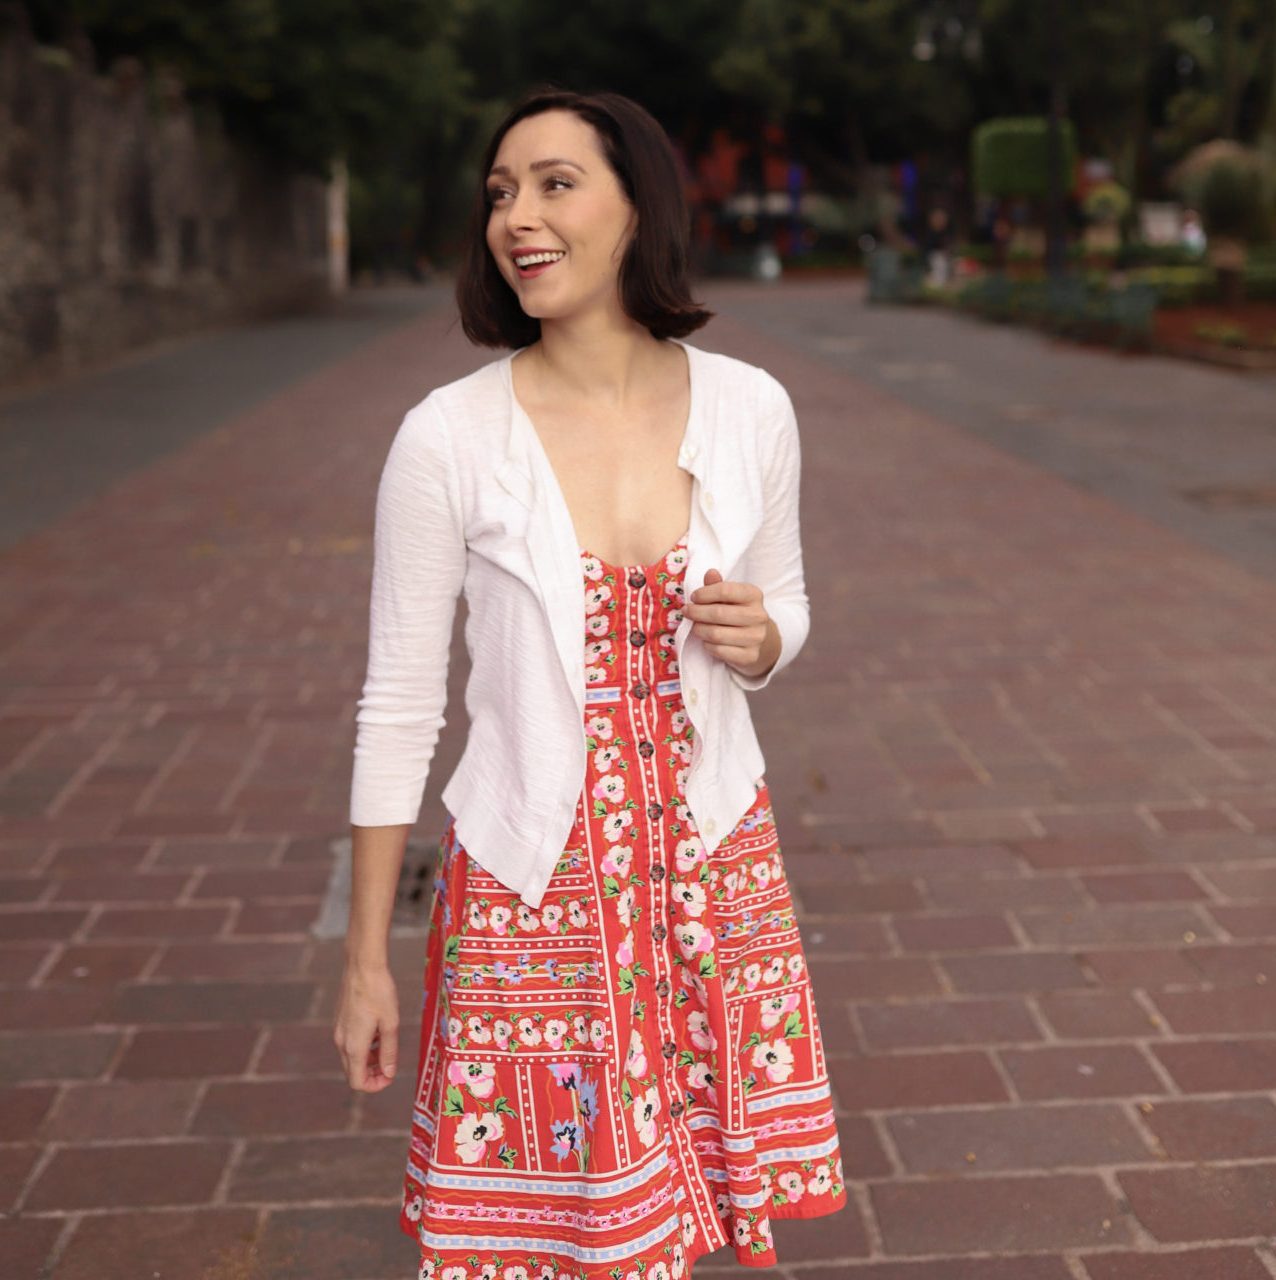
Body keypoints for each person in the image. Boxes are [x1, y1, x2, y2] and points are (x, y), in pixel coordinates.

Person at [334, 87, 846, 1280]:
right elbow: (397, 706)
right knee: (544, 1235)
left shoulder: (749, 408)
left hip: (711, 868)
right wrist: (365, 958)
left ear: (636, 208)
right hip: (535, 889)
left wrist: (762, 639)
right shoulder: (447, 436)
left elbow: (790, 601)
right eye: (501, 192)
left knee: (691, 1214)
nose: (518, 215)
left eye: (555, 183)